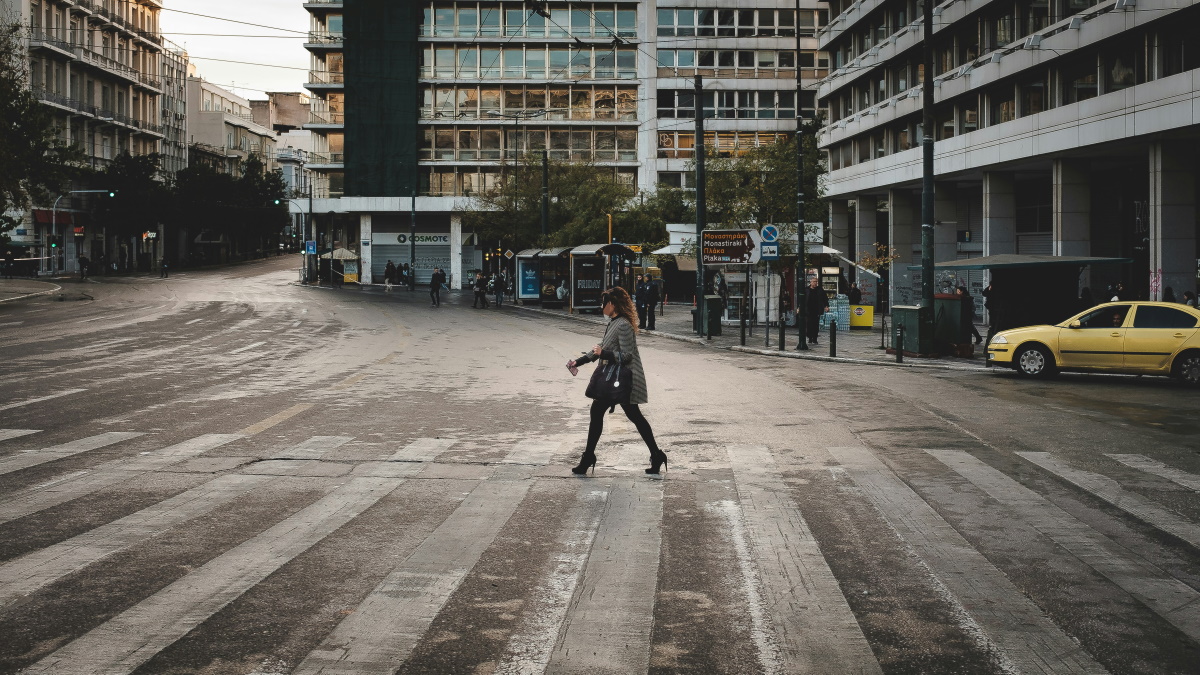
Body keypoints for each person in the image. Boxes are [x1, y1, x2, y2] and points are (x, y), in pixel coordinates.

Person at [566, 287, 666, 475]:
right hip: (615, 379)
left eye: (604, 303)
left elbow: (627, 355)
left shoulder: (623, 325)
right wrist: (578, 362)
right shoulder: (613, 323)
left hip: (624, 380)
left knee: (614, 413)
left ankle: (589, 457)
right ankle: (656, 454)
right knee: (630, 416)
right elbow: (601, 348)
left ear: (612, 304)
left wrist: (604, 353)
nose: (601, 306)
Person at [805, 277, 829, 345]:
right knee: (809, 324)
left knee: (815, 324)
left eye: (816, 282)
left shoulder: (820, 290)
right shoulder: (806, 289)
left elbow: (825, 298)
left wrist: (826, 306)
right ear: (811, 282)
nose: (815, 283)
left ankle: (815, 338)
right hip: (808, 310)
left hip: (816, 310)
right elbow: (803, 299)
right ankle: (809, 338)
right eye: (814, 281)